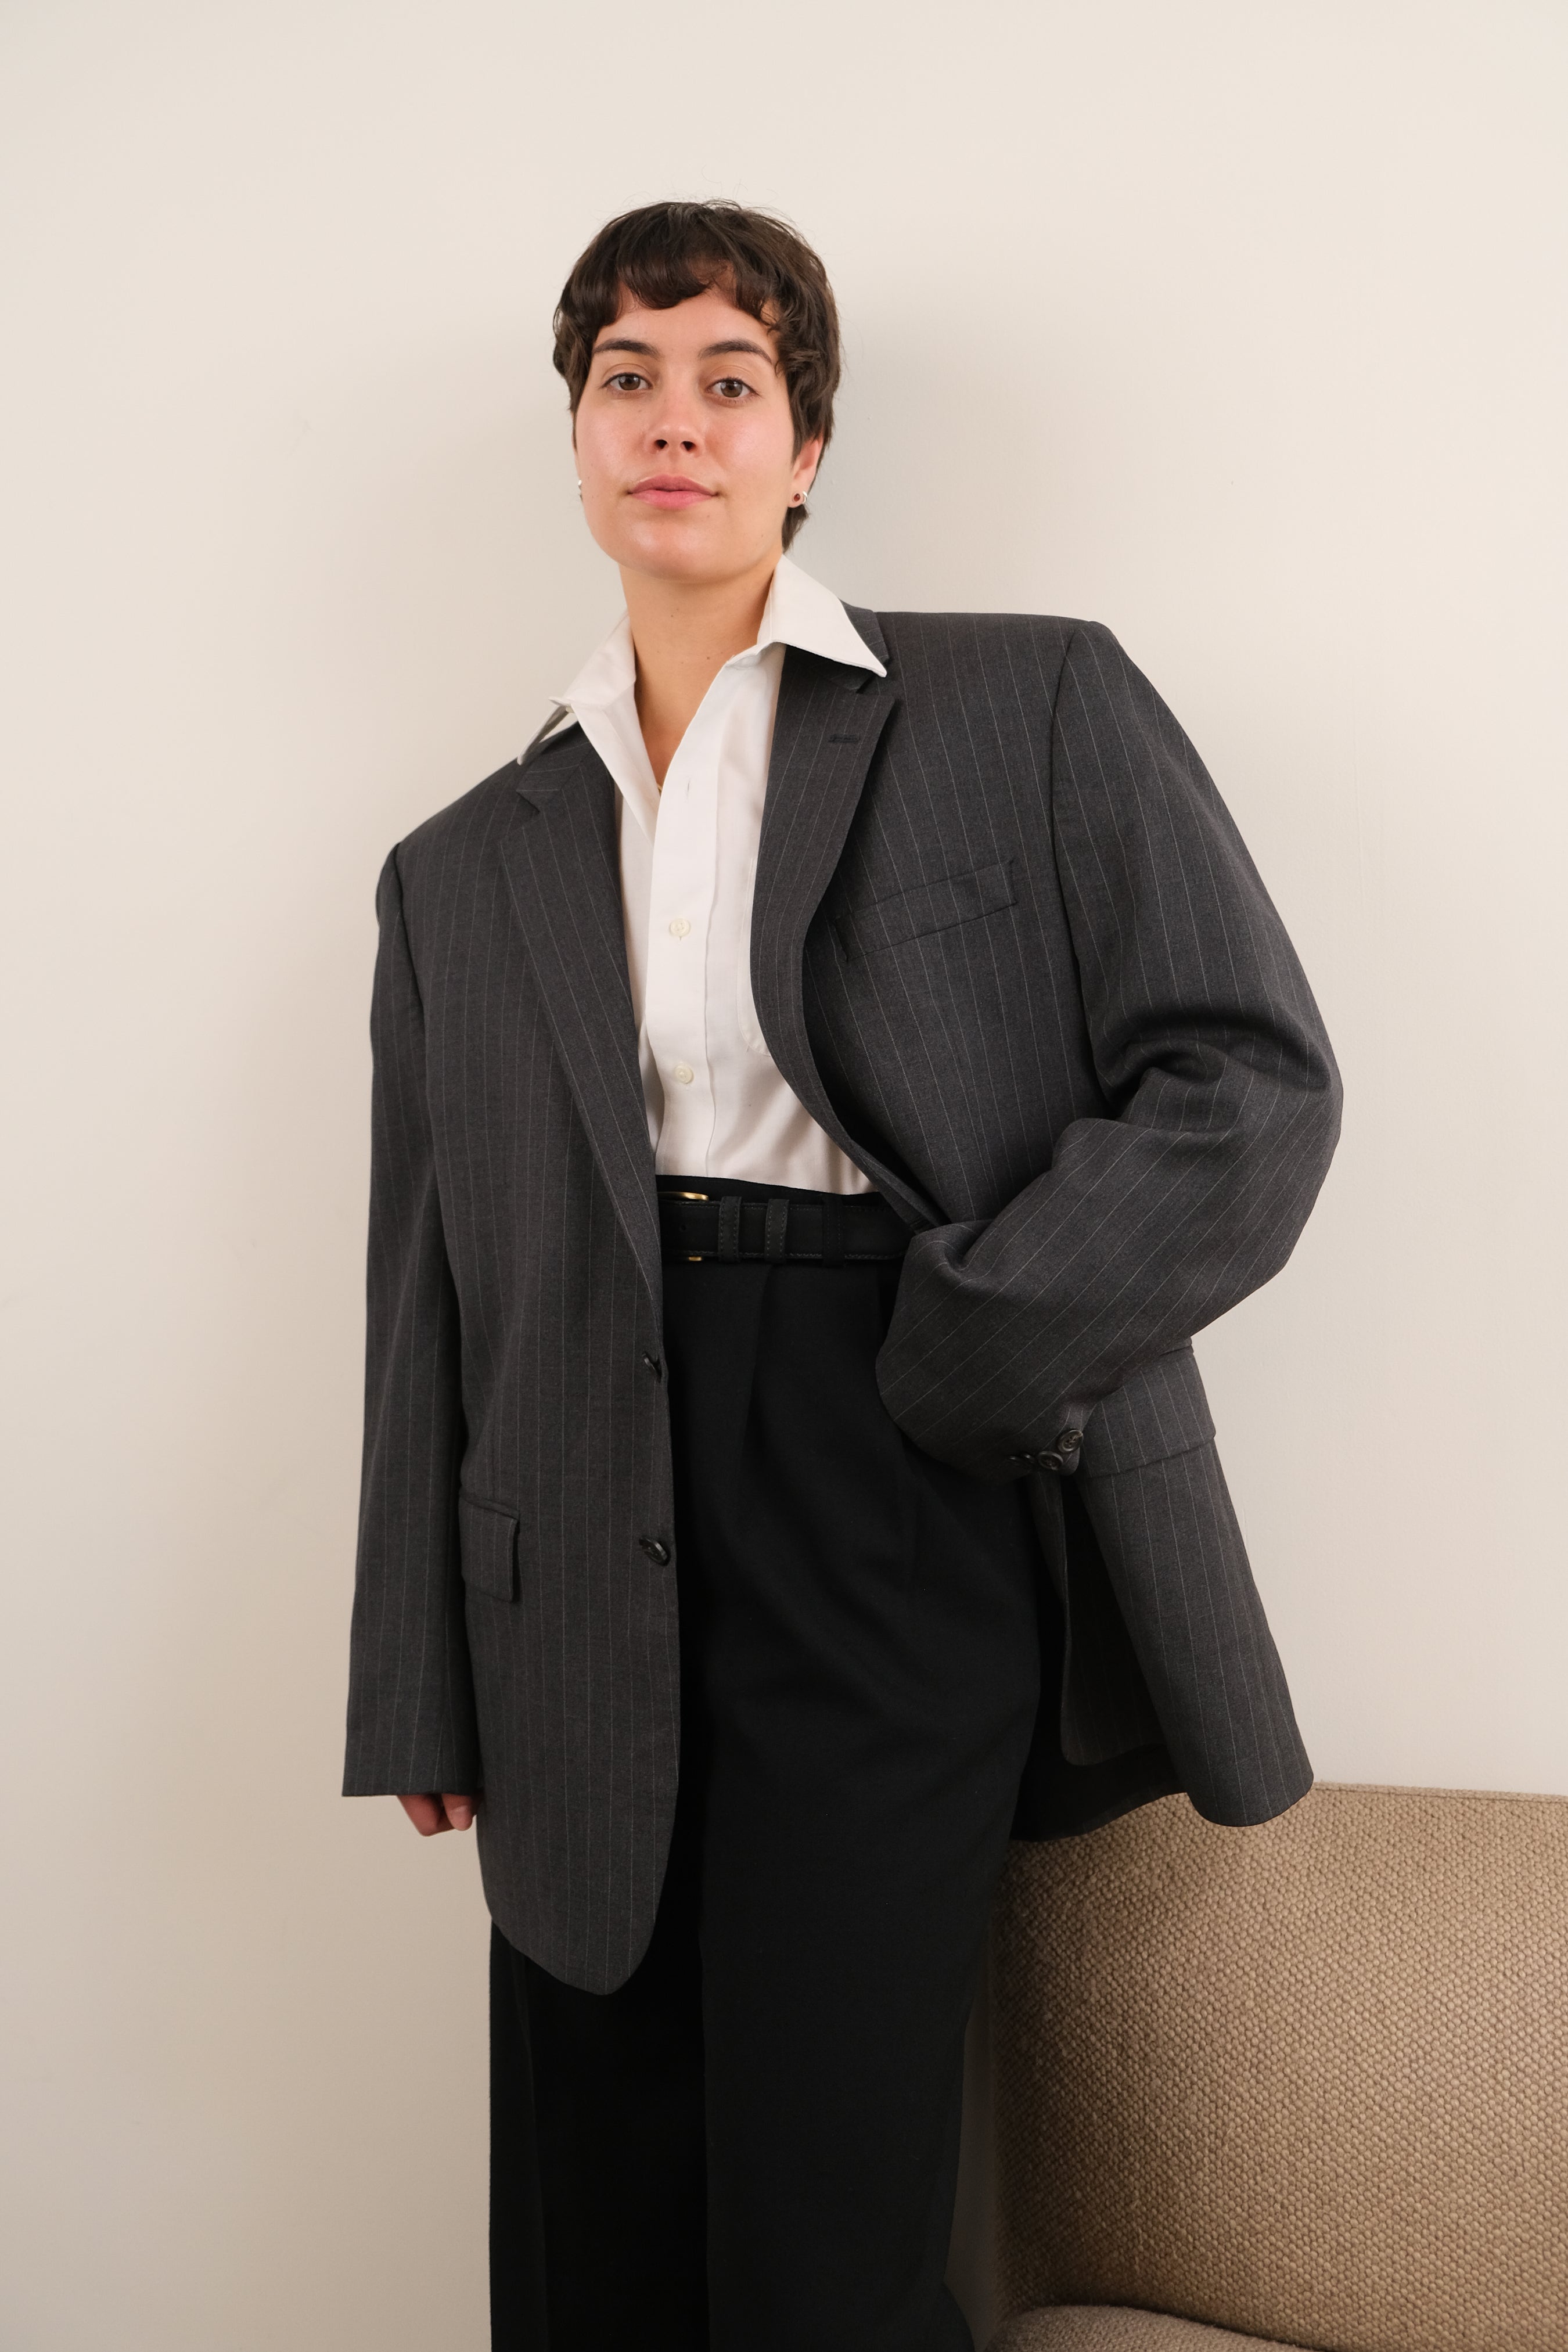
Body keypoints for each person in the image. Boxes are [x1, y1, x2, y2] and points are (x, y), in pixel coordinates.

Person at [343, 200, 1342, 2352]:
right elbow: (427, 1281)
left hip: (885, 1456)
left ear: (803, 450)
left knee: (826, 2192)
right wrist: (416, 1669)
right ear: (576, 439)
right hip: (567, 1525)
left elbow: (1247, 1082)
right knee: (594, 2191)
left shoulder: (1025, 701)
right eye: (626, 379)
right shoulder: (459, 867)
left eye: (730, 380)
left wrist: (975, 1341)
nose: (672, 420)